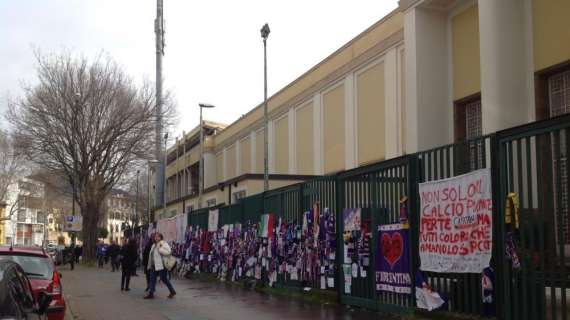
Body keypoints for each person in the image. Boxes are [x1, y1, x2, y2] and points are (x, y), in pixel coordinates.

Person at [144, 233, 176, 299]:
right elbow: (151, 255)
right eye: (155, 237)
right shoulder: (153, 245)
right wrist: (149, 264)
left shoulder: (163, 243)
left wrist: (160, 249)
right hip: (154, 265)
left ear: (160, 237)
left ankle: (172, 291)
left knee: (164, 279)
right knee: (152, 279)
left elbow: (169, 251)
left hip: (161, 265)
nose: (155, 238)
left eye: (157, 237)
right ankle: (151, 294)